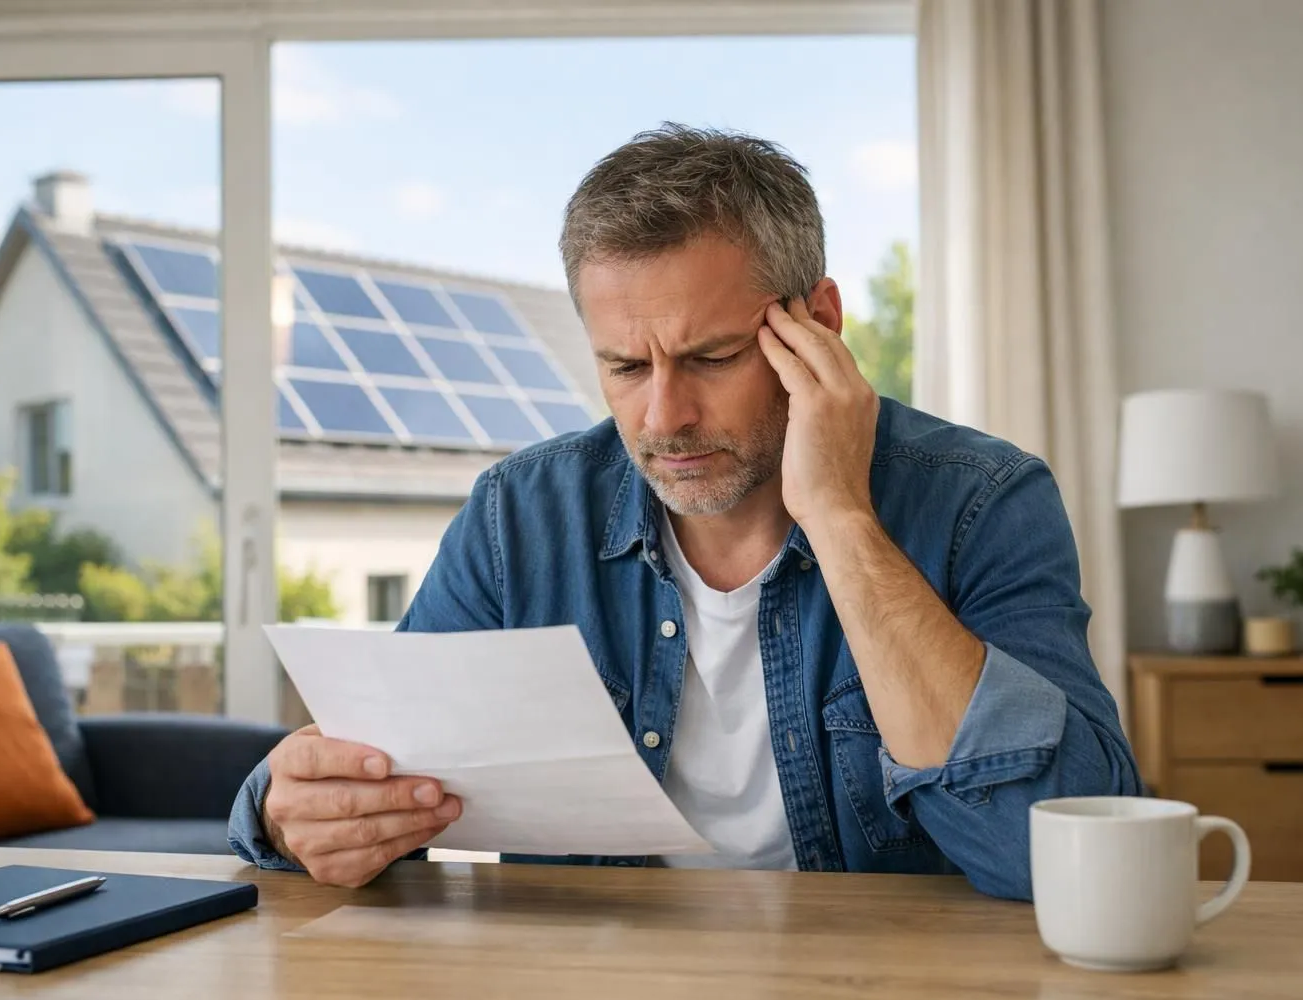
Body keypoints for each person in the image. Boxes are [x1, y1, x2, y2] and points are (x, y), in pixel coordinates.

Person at [228, 124, 1139, 900]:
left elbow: (1059, 854)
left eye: (710, 357)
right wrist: (290, 807)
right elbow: (389, 784)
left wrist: (840, 519)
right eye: (625, 368)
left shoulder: (981, 500)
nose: (663, 418)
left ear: (817, 320)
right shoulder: (520, 521)